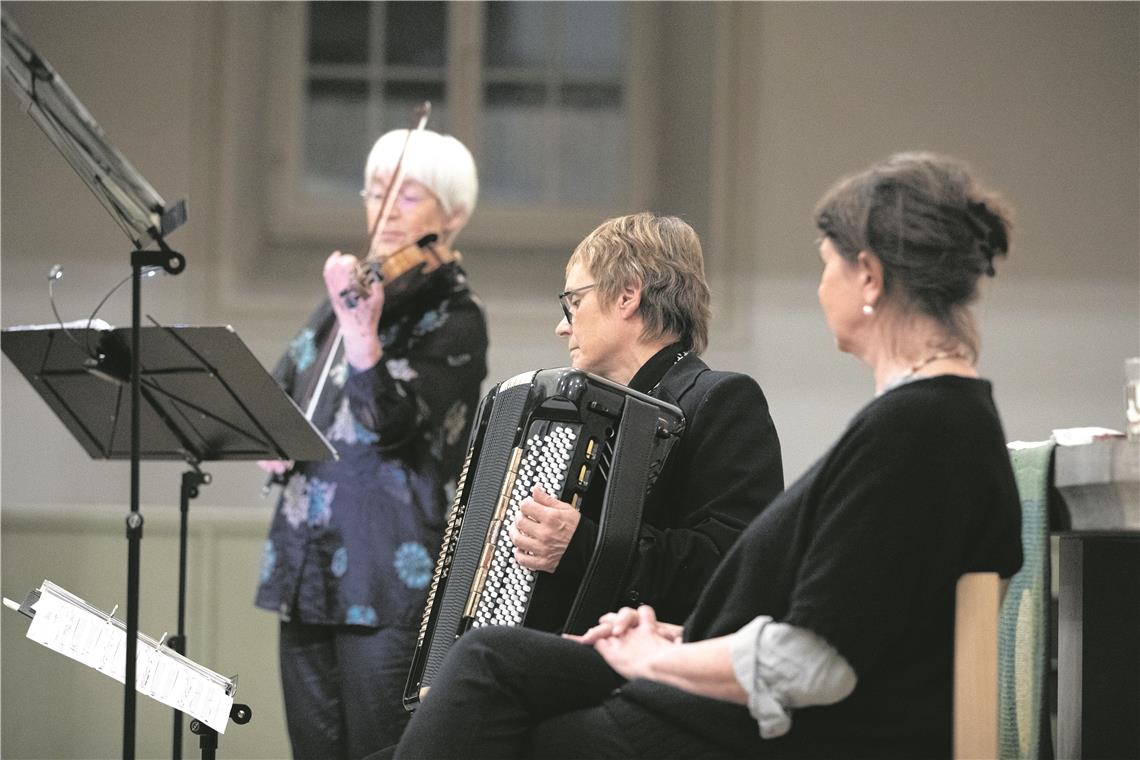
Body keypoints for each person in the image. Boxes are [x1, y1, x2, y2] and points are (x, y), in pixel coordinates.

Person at [391, 152, 1024, 760]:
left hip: (750, 728)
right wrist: (666, 636)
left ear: (869, 277)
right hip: (714, 693)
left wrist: (653, 658)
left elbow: (816, 660)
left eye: (827, 264)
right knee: (473, 681)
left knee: (484, 671)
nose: (820, 284)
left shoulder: (921, 426)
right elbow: (832, 615)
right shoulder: (925, 418)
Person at [254, 128, 488, 759]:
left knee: (382, 753)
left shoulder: (453, 316)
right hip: (307, 561)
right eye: (377, 192)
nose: (386, 209)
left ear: (454, 215)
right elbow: (280, 388)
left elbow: (392, 421)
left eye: (408, 196)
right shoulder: (346, 299)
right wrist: (266, 433)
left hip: (385, 570)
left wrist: (364, 336)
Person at [507, 212, 783, 628]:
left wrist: (586, 545)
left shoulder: (722, 400)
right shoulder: (587, 417)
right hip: (588, 644)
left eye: (574, 302)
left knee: (484, 659)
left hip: (660, 656)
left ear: (627, 296)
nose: (562, 327)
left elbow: (735, 565)